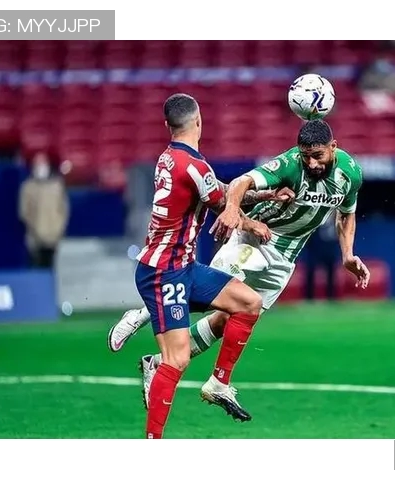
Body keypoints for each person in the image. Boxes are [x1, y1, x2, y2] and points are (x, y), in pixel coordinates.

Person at [108, 120, 370, 414]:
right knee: (209, 295)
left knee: (227, 319)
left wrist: (347, 254)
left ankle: (158, 364)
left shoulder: (350, 174)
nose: (311, 163)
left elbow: (346, 213)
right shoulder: (289, 164)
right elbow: (240, 183)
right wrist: (233, 210)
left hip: (285, 258)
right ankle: (143, 314)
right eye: (305, 156)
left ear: (333, 147)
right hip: (253, 239)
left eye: (317, 156)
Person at [135, 93, 287, 439]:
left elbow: (219, 192)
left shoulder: (170, 158)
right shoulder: (195, 165)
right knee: (176, 359)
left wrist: (264, 195)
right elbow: (222, 204)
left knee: (249, 302)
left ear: (167, 125)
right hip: (165, 272)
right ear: (199, 121)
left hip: (183, 267)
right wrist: (252, 223)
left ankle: (219, 383)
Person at [18, 152, 69, 269]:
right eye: (37, 164)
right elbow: (24, 211)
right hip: (35, 237)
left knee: (50, 265)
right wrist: (33, 227)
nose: (40, 166)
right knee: (36, 266)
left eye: (43, 163)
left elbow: (63, 208)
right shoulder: (28, 187)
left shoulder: (57, 185)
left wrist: (59, 227)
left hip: (53, 235)